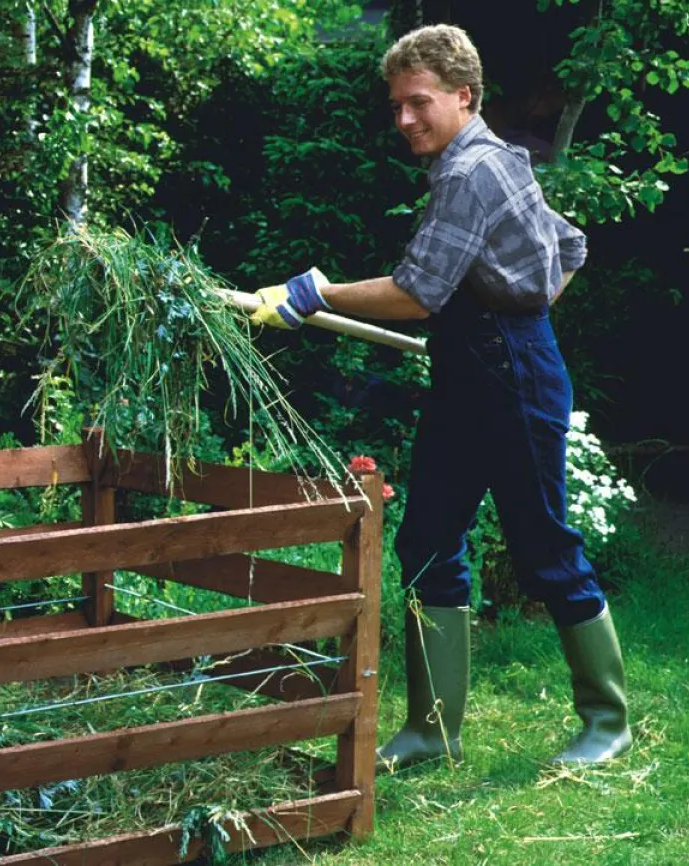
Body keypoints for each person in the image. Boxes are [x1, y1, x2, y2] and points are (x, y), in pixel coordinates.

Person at [251, 23, 632, 769]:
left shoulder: (470, 173)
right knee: (426, 541)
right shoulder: (492, 161)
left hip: (514, 376)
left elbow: (420, 292)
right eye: (396, 105)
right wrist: (524, 306)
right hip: (470, 371)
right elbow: (573, 244)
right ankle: (432, 728)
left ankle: (606, 719)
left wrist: (317, 292)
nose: (403, 119)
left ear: (465, 95)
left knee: (544, 546)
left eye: (418, 102)